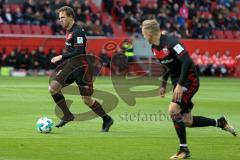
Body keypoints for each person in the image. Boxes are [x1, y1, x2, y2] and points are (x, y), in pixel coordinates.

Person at [141, 19, 237, 159]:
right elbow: (167, 66)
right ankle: (220, 122)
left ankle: (184, 150)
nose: (143, 36)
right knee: (187, 121)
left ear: (149, 32)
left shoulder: (172, 42)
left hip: (189, 80)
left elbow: (187, 61)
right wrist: (163, 84)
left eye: (143, 33)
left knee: (173, 111)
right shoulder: (154, 48)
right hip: (178, 82)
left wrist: (180, 84)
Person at [49, 6, 113, 132]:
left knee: (87, 100)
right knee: (53, 88)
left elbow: (79, 51)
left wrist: (60, 56)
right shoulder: (68, 30)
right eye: (59, 18)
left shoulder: (78, 31)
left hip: (82, 69)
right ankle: (67, 115)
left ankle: (107, 119)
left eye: (62, 17)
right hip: (71, 66)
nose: (60, 20)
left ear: (71, 16)